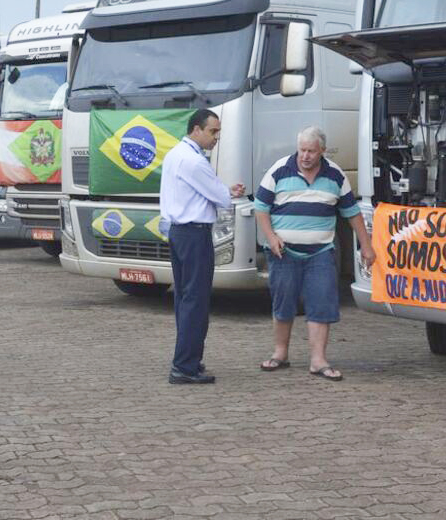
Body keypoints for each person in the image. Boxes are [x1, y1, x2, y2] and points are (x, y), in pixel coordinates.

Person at [254, 126, 376, 381]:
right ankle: (280, 353)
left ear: (322, 150)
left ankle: (318, 360)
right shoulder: (279, 169)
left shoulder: (336, 175)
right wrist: (272, 237)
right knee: (283, 303)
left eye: (311, 151)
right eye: (302, 150)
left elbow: (351, 213)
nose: (305, 156)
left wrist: (366, 245)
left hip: (321, 252)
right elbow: (261, 207)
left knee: (321, 303)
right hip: (283, 251)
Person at [159, 109, 245, 385]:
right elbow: (220, 198)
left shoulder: (175, 154)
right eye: (213, 131)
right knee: (195, 301)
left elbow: (208, 191)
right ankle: (185, 365)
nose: (216, 137)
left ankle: (188, 359)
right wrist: (226, 193)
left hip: (179, 231)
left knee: (185, 299)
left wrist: (223, 191)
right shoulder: (194, 161)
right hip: (194, 234)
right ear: (196, 129)